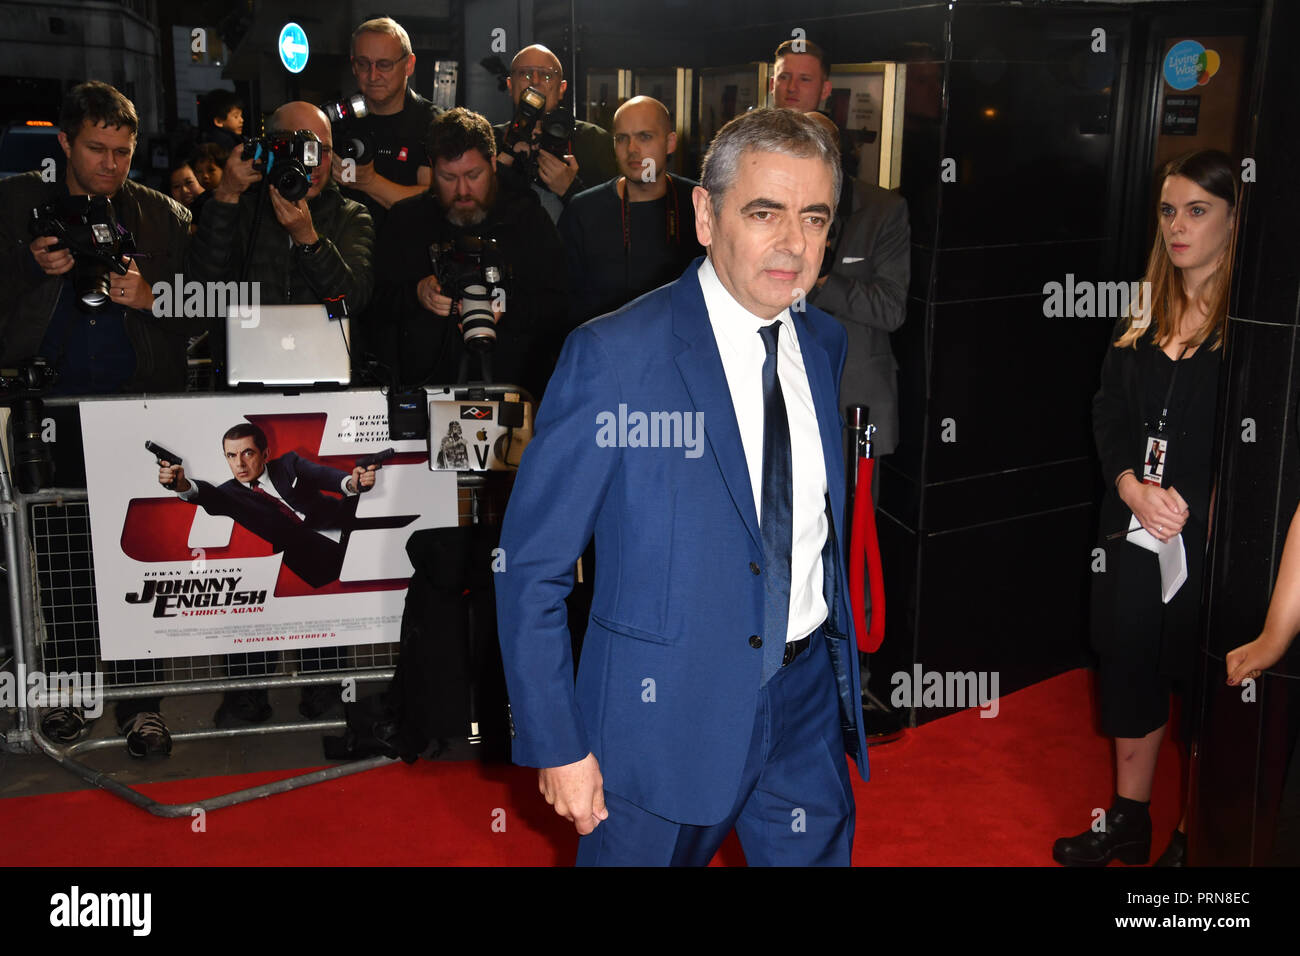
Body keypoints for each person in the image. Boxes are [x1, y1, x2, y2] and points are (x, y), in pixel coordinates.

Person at [495, 108, 869, 866]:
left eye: (814, 218)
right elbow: (529, 570)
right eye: (764, 214)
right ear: (706, 213)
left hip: (803, 714)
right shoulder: (614, 358)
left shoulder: (824, 343)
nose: (793, 244)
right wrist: (557, 743)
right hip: (656, 728)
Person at [0, 81, 198, 759]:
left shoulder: (164, 216)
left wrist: (154, 297)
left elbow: (204, 312)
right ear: (64, 143)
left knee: (143, 564)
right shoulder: (16, 202)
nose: (110, 163)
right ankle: (76, 698)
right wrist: (34, 271)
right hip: (51, 412)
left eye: (122, 150)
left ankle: (143, 707)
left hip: (139, 412)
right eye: (95, 149)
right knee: (63, 567)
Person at [1054, 149, 1238, 867]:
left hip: (1208, 542)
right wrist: (1129, 484)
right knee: (1129, 669)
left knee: (1203, 692)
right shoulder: (1142, 309)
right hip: (1130, 526)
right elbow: (1105, 413)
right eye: (1169, 210)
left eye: (1198, 211)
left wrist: (1207, 508)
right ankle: (1129, 818)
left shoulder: (1251, 324)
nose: (1178, 226)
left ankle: (1195, 834)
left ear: (1233, 219)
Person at [803, 110, 910, 739]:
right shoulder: (773, 205)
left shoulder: (883, 209)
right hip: (783, 402)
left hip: (856, 416)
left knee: (855, 546)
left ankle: (857, 692)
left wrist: (820, 283)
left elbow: (892, 306)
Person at [157, 423, 378, 726]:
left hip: (345, 539)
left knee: (327, 620)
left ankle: (324, 691)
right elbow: (205, 495)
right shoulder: (230, 493)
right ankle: (250, 699)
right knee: (273, 614)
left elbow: (325, 476)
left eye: (247, 453)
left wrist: (351, 483)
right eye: (231, 456)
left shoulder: (289, 464)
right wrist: (181, 485)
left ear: (265, 453)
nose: (240, 463)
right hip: (304, 565)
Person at [369, 108, 567, 399]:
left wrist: (507, 305)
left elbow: (562, 306)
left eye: (473, 175)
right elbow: (371, 307)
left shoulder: (526, 218)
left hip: (516, 397)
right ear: (432, 168)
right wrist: (417, 294)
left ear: (494, 163)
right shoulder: (406, 221)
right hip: (425, 397)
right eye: (448, 177)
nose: (462, 190)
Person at [186, 100, 375, 369]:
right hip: (247, 372)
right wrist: (226, 196)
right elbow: (202, 291)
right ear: (275, 148)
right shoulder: (239, 207)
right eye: (305, 149)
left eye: (325, 150)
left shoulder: (350, 215)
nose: (316, 163)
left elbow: (350, 301)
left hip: (326, 374)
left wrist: (309, 241)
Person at [557, 95, 703, 326]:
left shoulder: (700, 203)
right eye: (622, 138)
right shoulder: (583, 211)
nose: (632, 149)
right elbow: (563, 304)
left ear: (670, 142)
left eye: (645, 137)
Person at [331, 16, 440, 229]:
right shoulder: (337, 119)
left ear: (408, 65)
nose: (373, 75)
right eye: (363, 64)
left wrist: (369, 182)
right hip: (346, 252)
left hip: (409, 253)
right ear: (353, 66)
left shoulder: (432, 123)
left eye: (384, 64)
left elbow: (436, 200)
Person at [493, 44, 618, 224]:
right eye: (525, 74)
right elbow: (473, 216)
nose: (535, 81)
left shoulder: (595, 141)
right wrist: (506, 157)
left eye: (546, 75)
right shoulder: (490, 140)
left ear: (561, 88)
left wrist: (571, 189)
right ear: (510, 86)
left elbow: (611, 223)